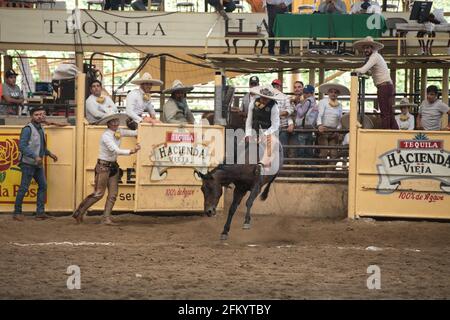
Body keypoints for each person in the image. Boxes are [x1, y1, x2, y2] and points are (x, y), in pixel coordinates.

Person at [72, 113, 141, 226]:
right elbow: (115, 150)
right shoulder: (106, 136)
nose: (115, 123)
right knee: (99, 193)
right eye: (112, 121)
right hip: (103, 167)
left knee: (112, 194)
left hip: (111, 166)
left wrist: (137, 125)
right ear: (108, 124)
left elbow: (136, 132)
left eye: (116, 121)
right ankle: (80, 212)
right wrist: (132, 151)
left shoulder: (118, 132)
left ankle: (105, 218)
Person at [13, 106, 58, 222]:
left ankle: (40, 212)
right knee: (24, 187)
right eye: (37, 114)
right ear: (32, 116)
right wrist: (35, 156)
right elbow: (22, 146)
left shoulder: (40, 128)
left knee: (43, 186)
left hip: (36, 163)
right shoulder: (28, 129)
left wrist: (49, 153)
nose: (40, 116)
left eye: (42, 114)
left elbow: (41, 146)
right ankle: (17, 212)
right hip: (28, 163)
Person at [354, 36, 398, 130]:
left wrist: (353, 70)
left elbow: (363, 70)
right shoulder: (375, 57)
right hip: (387, 86)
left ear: (372, 48)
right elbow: (369, 71)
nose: (366, 50)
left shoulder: (374, 57)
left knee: (385, 112)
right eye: (364, 48)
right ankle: (395, 130)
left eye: (368, 47)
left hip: (384, 87)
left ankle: (385, 132)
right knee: (389, 111)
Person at [245, 85, 285, 171]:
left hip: (269, 131)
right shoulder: (252, 103)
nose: (264, 100)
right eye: (263, 97)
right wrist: (248, 134)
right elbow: (249, 120)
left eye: (266, 98)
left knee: (272, 143)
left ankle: (263, 164)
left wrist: (265, 134)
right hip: (254, 130)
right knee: (239, 144)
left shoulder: (274, 107)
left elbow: (275, 125)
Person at [317, 83, 348, 160]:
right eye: (331, 92)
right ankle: (322, 171)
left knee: (334, 154)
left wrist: (338, 129)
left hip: (334, 131)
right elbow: (319, 114)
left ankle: (329, 171)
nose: (333, 94)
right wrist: (319, 125)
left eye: (335, 92)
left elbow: (340, 118)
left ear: (337, 94)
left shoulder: (339, 105)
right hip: (324, 130)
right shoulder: (323, 102)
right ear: (328, 93)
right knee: (323, 153)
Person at [294, 85, 318, 159]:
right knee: (309, 150)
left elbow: (301, 113)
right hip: (310, 127)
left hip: (303, 128)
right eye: (304, 92)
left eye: (307, 93)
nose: (305, 94)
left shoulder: (308, 101)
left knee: (302, 150)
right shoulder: (314, 101)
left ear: (311, 93)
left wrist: (298, 105)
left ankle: (302, 167)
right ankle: (309, 167)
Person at [271, 79, 294, 158]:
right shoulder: (269, 98)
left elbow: (290, 110)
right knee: (271, 147)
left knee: (282, 147)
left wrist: (281, 113)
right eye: (274, 86)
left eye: (277, 86)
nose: (276, 88)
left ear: (280, 87)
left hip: (283, 126)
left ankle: (282, 165)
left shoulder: (285, 98)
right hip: (272, 127)